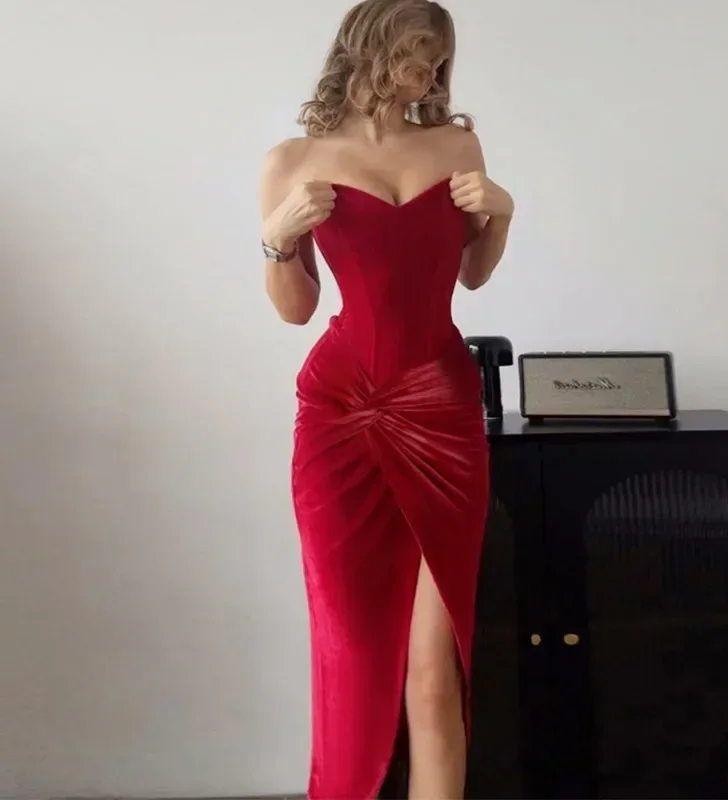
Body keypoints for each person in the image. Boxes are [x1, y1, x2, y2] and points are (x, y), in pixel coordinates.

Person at [258, 1, 513, 797]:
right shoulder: (294, 159)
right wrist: (277, 238)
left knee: (434, 673)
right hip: (339, 414)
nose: (430, 71)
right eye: (417, 52)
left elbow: (472, 275)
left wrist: (502, 216)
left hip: (440, 406)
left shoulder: (456, 145)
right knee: (354, 651)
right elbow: (296, 310)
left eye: (439, 58)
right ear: (368, 47)